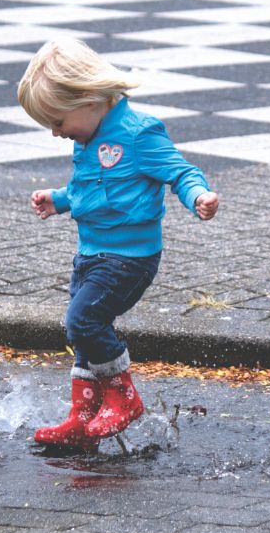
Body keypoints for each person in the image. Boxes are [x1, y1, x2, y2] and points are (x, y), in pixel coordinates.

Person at [17, 38, 219, 450]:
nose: (56, 133)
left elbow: (180, 172)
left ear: (89, 100)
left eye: (57, 121)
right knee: (85, 332)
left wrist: (199, 195)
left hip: (129, 258)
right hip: (90, 254)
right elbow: (89, 189)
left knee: (82, 321)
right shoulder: (86, 139)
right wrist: (58, 199)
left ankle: (123, 398)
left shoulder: (139, 133)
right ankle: (83, 414)